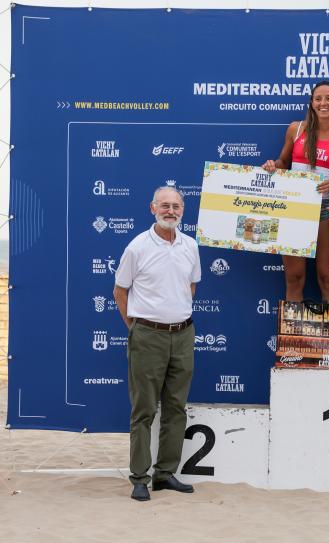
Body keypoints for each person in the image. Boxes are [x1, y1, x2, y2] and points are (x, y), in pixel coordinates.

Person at [114, 186, 201, 501]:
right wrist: (137, 328)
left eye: (176, 206)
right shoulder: (137, 247)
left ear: (183, 210)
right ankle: (140, 477)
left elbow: (190, 286)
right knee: (144, 410)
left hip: (183, 334)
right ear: (152, 208)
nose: (171, 211)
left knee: (176, 407)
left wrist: (173, 319)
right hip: (147, 336)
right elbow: (120, 292)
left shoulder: (190, 246)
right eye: (165, 205)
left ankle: (165, 474)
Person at [262, 80, 329, 303]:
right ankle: (293, 336)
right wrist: (273, 165)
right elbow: (283, 160)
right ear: (312, 103)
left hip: (324, 209)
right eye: (318, 98)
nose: (323, 103)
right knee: (294, 276)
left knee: (327, 277)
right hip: (294, 208)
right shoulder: (297, 128)